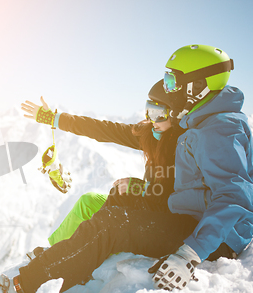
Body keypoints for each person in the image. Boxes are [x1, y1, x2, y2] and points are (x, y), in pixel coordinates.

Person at [0, 44, 253, 293]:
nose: (168, 88)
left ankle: (16, 290)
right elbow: (108, 130)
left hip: (217, 237)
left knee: (112, 223)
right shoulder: (200, 119)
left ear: (197, 86)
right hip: (196, 215)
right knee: (116, 203)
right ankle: (73, 258)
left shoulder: (215, 129)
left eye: (173, 80)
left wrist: (189, 253)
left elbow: (235, 196)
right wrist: (56, 119)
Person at [29, 79, 185, 251]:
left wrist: (140, 188)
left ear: (177, 114)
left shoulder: (185, 149)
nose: (151, 120)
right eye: (149, 111)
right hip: (145, 205)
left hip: (159, 223)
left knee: (106, 217)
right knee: (88, 201)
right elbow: (103, 129)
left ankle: (72, 254)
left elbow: (177, 201)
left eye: (158, 113)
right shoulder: (151, 135)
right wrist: (54, 119)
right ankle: (52, 253)